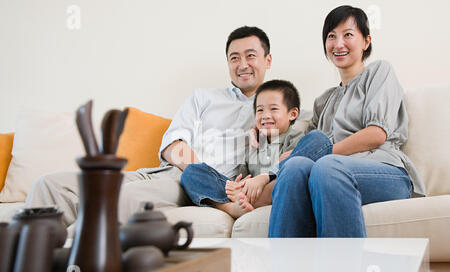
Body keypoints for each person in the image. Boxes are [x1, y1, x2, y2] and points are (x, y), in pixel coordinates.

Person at [25, 26, 273, 231]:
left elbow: (273, 166)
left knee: (121, 198)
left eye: (251, 55)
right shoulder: (203, 98)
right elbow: (173, 147)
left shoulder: (277, 110)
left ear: (267, 60)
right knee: (48, 185)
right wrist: (200, 171)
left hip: (198, 190)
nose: (243, 64)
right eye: (234, 57)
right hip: (166, 173)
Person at [266, 5, 426, 237]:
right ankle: (284, 269)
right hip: (328, 173)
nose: (338, 43)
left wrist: (325, 154)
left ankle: (344, 271)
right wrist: (264, 134)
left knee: (325, 167)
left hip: (386, 172)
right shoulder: (324, 101)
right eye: (331, 36)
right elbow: (307, 147)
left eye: (348, 34)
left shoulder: (379, 72)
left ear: (366, 41)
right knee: (294, 167)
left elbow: (376, 134)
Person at [180, 79, 304, 218]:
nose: (265, 115)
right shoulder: (255, 143)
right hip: (244, 193)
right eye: (260, 110)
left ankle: (240, 202)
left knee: (285, 177)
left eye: (273, 109)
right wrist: (238, 185)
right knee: (192, 171)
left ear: (292, 114)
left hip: (272, 189)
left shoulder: (297, 139)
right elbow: (243, 174)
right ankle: (230, 207)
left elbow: (293, 170)